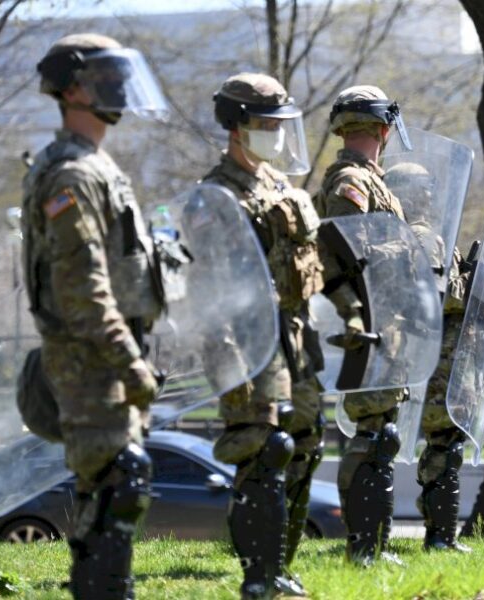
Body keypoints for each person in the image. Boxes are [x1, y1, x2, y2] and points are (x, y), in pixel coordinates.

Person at [201, 73, 360, 597]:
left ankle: (281, 566)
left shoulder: (280, 189)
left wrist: (349, 310)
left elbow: (311, 262)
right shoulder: (217, 197)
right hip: (247, 341)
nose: (274, 133)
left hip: (296, 337)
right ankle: (257, 576)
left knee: (307, 445)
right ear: (237, 126)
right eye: (265, 124)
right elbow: (208, 287)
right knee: (264, 450)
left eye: (279, 124)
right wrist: (230, 364)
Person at [22, 33, 168, 598]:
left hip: (105, 358)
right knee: (118, 481)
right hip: (90, 362)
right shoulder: (73, 175)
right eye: (105, 76)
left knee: (108, 491)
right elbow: (83, 290)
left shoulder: (94, 165)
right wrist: (131, 364)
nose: (120, 88)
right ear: (72, 89)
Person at [313, 84, 407, 564]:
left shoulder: (374, 181)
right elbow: (349, 247)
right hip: (364, 320)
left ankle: (377, 545)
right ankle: (363, 547)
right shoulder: (350, 180)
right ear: (383, 129)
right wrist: (407, 250)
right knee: (372, 435)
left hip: (385, 319)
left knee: (382, 432)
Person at [384, 163, 472, 552]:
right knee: (445, 446)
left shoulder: (412, 235)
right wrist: (467, 285)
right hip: (435, 359)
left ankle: (441, 534)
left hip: (435, 356)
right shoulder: (421, 236)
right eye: (423, 189)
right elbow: (435, 297)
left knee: (445, 446)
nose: (431, 196)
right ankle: (440, 537)